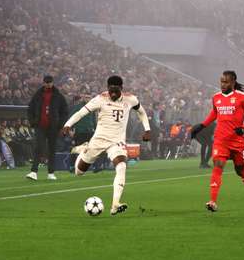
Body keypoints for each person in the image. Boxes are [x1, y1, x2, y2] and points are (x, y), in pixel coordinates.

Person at [62, 75, 151, 215]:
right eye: (111, 91)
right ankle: (84, 148)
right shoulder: (100, 99)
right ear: (107, 89)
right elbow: (81, 113)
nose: (113, 94)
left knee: (121, 166)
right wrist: (68, 125)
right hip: (98, 140)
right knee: (79, 172)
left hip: (117, 142)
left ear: (121, 88)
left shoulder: (131, 99)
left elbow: (142, 112)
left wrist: (147, 129)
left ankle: (115, 204)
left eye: (116, 91)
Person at [189, 70, 244, 212]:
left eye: (226, 82)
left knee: (239, 169)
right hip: (221, 140)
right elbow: (214, 113)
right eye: (221, 81)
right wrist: (201, 126)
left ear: (233, 82)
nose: (222, 84)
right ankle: (213, 201)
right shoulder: (216, 98)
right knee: (218, 165)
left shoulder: (242, 98)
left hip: (237, 141)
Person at [26, 75, 68, 181]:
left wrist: (60, 124)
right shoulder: (38, 95)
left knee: (52, 149)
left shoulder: (58, 95)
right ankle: (34, 171)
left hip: (53, 127)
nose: (48, 84)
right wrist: (33, 122)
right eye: (46, 82)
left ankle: (51, 172)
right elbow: (30, 108)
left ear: (52, 83)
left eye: (49, 82)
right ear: (43, 83)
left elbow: (65, 111)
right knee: (39, 147)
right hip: (40, 126)